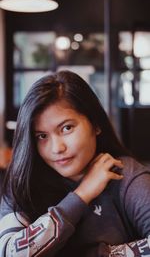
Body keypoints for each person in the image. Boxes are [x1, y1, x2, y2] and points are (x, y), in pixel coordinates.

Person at [0, 70, 150, 257]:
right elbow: (10, 253)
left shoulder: (124, 174)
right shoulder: (22, 183)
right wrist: (81, 195)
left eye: (67, 128)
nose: (57, 148)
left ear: (95, 124)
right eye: (42, 136)